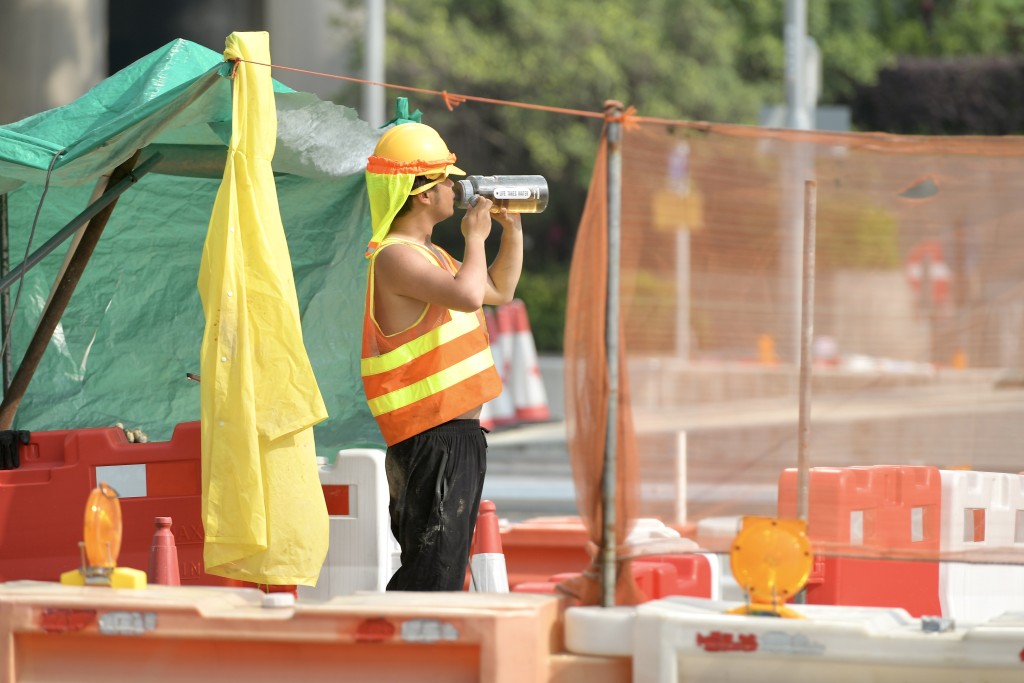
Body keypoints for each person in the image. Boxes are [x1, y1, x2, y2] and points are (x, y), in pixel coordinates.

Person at [361, 122, 523, 591]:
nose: (457, 188)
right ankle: (401, 652)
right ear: (423, 195)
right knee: (431, 570)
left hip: (455, 434)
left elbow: (497, 290)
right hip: (430, 437)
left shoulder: (431, 255)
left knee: (443, 566)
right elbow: (470, 297)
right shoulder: (395, 257)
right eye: (446, 180)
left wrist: (510, 231)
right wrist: (476, 237)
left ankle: (410, 649)